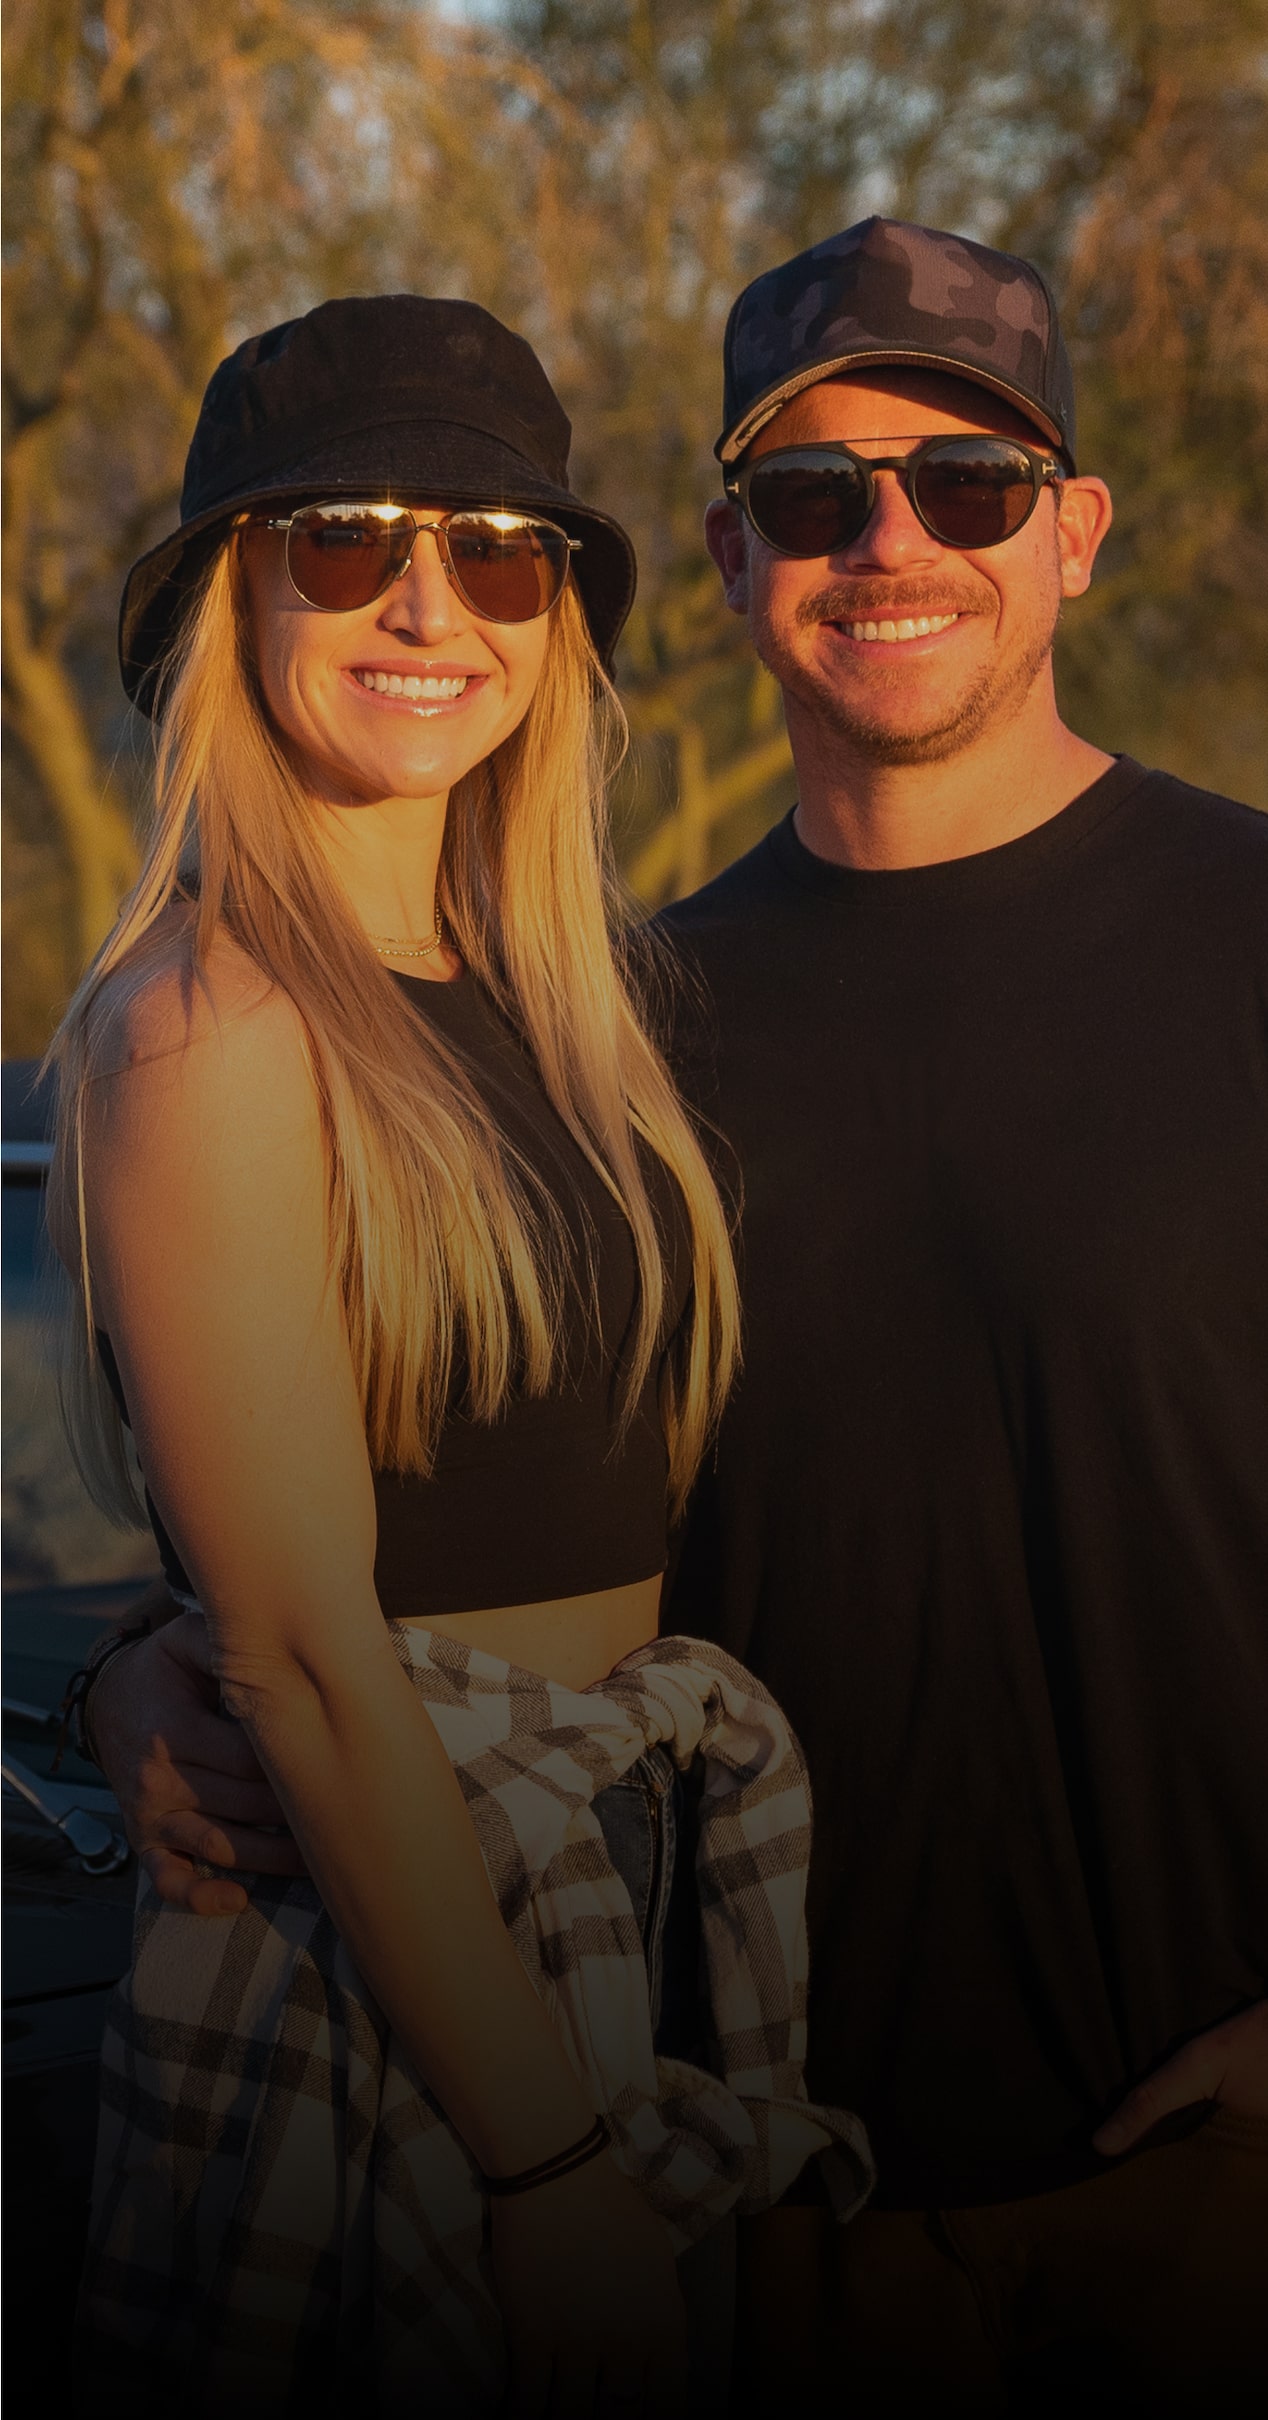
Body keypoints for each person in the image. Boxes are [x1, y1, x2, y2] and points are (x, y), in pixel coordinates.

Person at [79, 222, 1268, 2410]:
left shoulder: (1235, 937)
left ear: (1075, 532)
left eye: (971, 483)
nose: (889, 539)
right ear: (728, 557)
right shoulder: (633, 1022)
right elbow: (384, 1522)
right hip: (739, 2127)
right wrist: (152, 1666)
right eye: (817, 496)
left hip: (1197, 2160)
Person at [50, 293, 866, 2420]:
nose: (432, 603)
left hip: (608, 1902)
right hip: (394, 1972)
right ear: (236, 593)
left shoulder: (579, 1018)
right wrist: (552, 2162)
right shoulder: (209, 1025)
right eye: (347, 539)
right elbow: (313, 1646)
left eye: (499, 549)